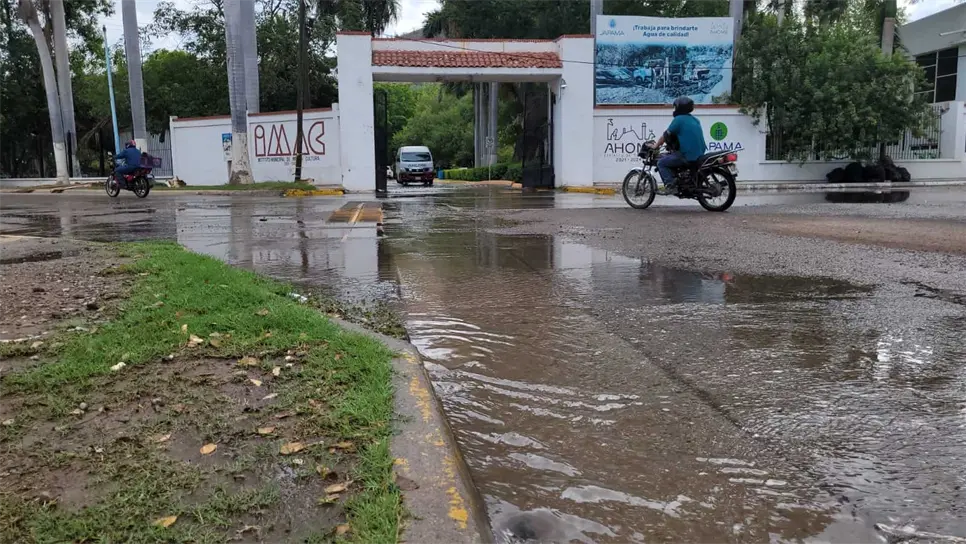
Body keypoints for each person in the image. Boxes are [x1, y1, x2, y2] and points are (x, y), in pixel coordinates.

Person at [648, 96, 706, 194]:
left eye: (675, 107)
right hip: (699, 153)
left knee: (661, 162)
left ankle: (670, 185)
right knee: (673, 157)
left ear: (679, 107)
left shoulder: (679, 120)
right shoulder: (695, 120)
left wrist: (656, 146)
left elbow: (666, 135)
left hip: (687, 155)